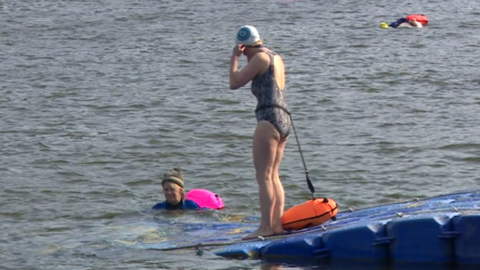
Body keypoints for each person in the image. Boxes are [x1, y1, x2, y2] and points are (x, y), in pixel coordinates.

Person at [229, 25, 292, 240]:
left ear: (244, 46)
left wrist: (234, 59)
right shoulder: (275, 57)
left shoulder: (258, 59)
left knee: (263, 176)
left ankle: (265, 227)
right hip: (284, 118)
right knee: (273, 175)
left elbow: (234, 83)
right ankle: (276, 225)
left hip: (268, 118)